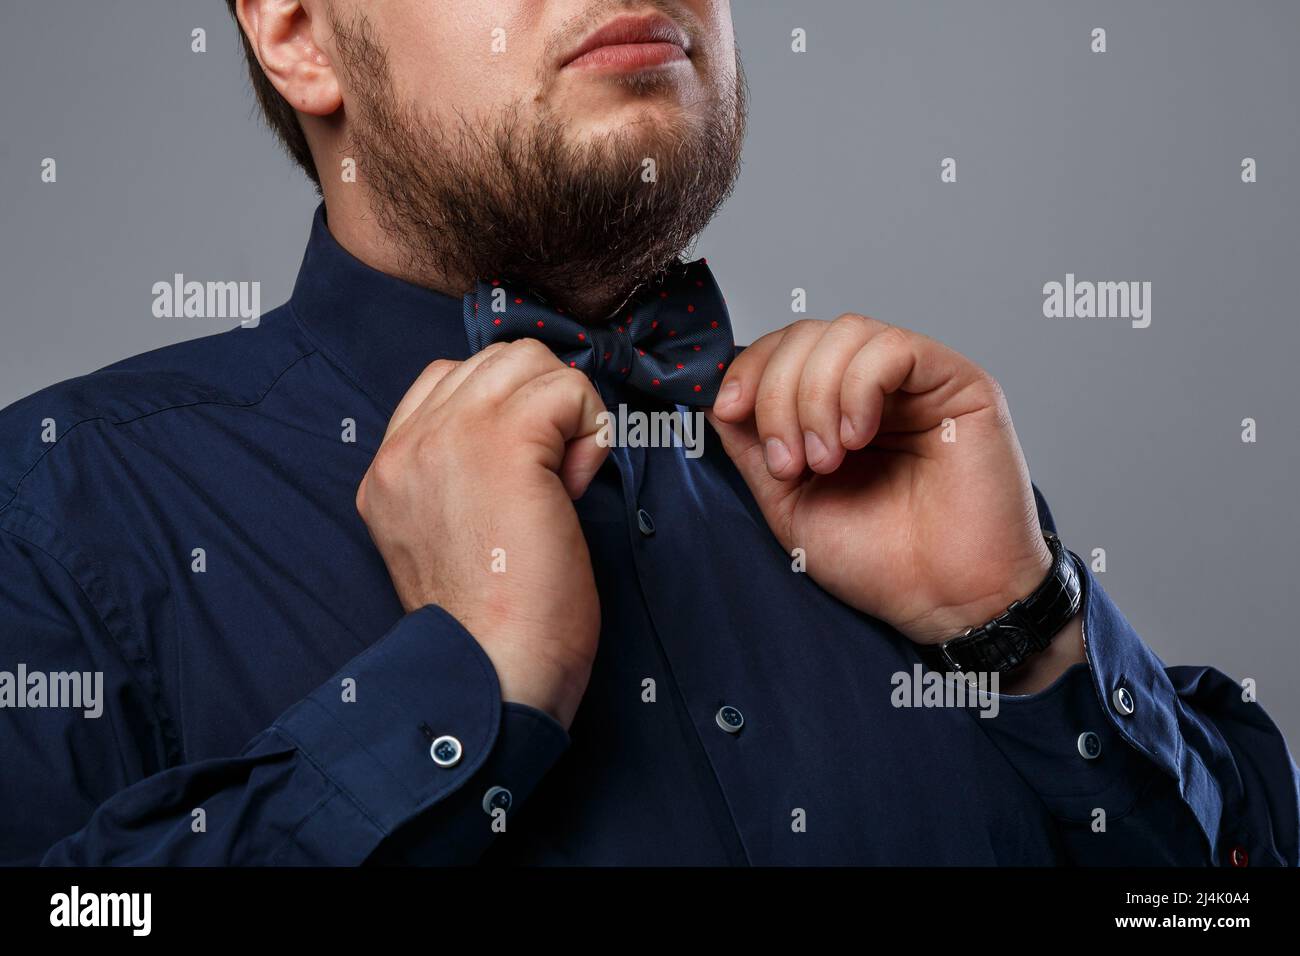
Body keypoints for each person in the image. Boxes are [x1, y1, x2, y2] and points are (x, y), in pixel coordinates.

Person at [0, 0, 1294, 866]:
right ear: (295, 29)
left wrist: (1028, 636)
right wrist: (456, 698)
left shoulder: (911, 500)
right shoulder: (56, 514)